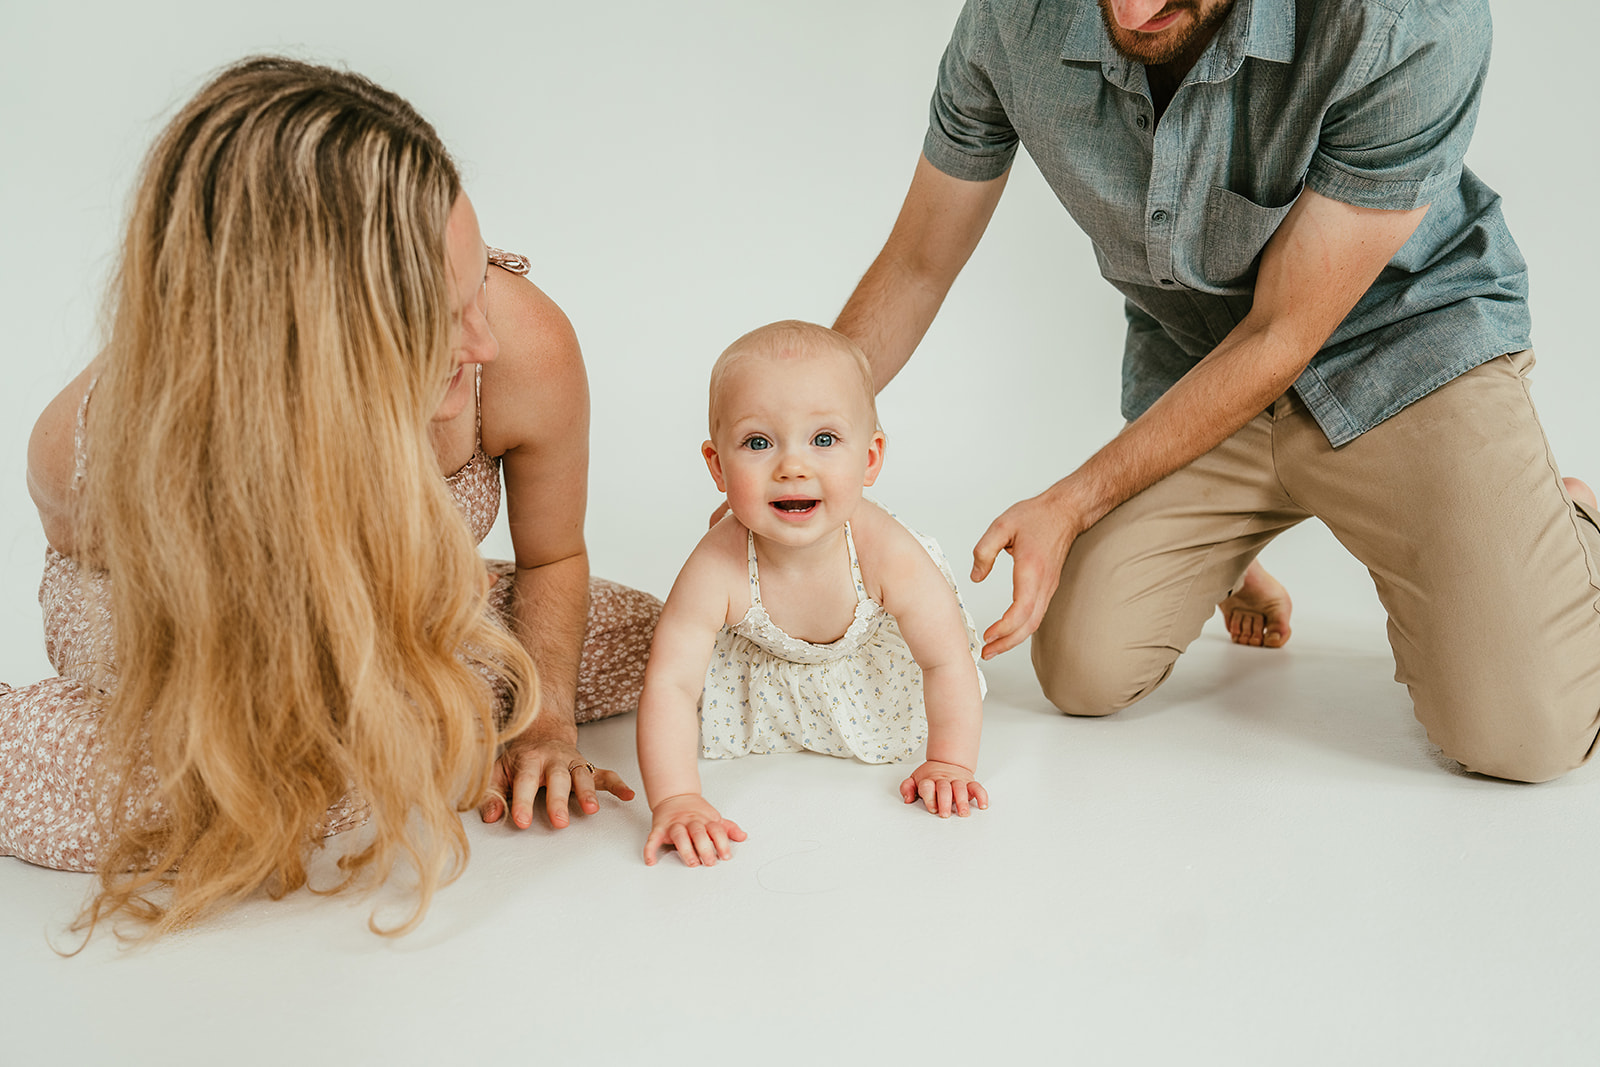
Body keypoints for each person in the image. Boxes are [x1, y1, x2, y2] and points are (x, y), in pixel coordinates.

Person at [831, 0, 1600, 781]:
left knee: (1525, 739)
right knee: (1080, 668)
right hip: (1207, 378)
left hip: (1404, 354)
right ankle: (1240, 545)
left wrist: (1069, 502)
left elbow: (1281, 336)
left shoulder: (1405, 20)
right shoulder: (1010, 18)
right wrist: (800, 425)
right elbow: (917, 264)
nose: (1131, 10)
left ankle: (1560, 530)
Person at [1, 56, 658, 939]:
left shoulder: (520, 348)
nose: (486, 341)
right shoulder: (99, 443)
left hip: (399, 601)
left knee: (664, 637)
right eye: (443, 315)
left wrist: (545, 723)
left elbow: (553, 558)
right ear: (311, 346)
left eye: (480, 290)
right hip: (183, 636)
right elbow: (134, 602)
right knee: (283, 793)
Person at [636, 321, 988, 867]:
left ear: (869, 459)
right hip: (771, 676)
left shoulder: (885, 552)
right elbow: (671, 684)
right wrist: (677, 797)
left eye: (824, 440)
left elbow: (946, 661)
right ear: (717, 466)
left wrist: (950, 763)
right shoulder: (717, 564)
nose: (792, 467)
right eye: (758, 443)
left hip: (872, 678)